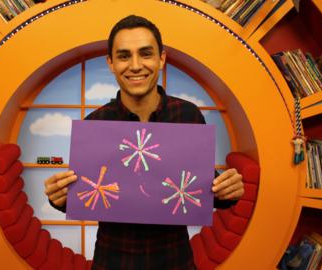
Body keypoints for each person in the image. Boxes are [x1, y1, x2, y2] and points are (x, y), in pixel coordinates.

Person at [44, 15, 244, 270]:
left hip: (175, 261)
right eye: (124, 56)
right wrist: (59, 198)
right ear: (111, 63)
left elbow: (202, 188)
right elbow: (87, 192)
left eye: (146, 54)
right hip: (112, 261)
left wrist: (228, 192)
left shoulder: (188, 115)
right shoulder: (95, 123)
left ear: (161, 58)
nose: (135, 65)